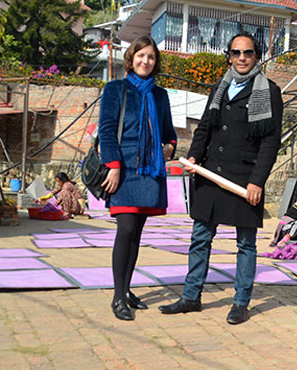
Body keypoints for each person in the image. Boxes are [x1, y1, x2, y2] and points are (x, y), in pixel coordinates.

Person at [159, 32, 283, 325]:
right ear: (229, 55)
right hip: (210, 172)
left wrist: (258, 181)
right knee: (200, 238)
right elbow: (205, 128)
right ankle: (191, 296)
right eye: (237, 52)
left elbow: (270, 141)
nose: (242, 58)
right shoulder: (220, 86)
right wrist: (193, 157)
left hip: (243, 178)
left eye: (248, 53)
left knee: (246, 244)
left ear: (257, 56)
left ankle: (240, 302)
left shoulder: (269, 91)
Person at [99, 36, 177, 321]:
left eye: (151, 57)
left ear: (155, 63)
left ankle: (127, 289)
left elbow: (169, 132)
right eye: (141, 55)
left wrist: (170, 146)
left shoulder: (160, 95)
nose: (146, 61)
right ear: (131, 58)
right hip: (123, 169)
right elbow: (106, 130)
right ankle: (118, 297)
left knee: (137, 234)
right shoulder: (115, 89)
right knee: (126, 229)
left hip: (150, 170)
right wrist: (114, 165)